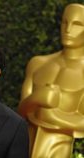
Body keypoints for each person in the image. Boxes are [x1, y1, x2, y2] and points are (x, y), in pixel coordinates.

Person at [18, 3, 84, 158]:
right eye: (65, 22)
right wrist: (37, 98)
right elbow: (21, 112)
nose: (68, 30)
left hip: (58, 150)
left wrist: (52, 117)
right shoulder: (38, 63)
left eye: (77, 25)